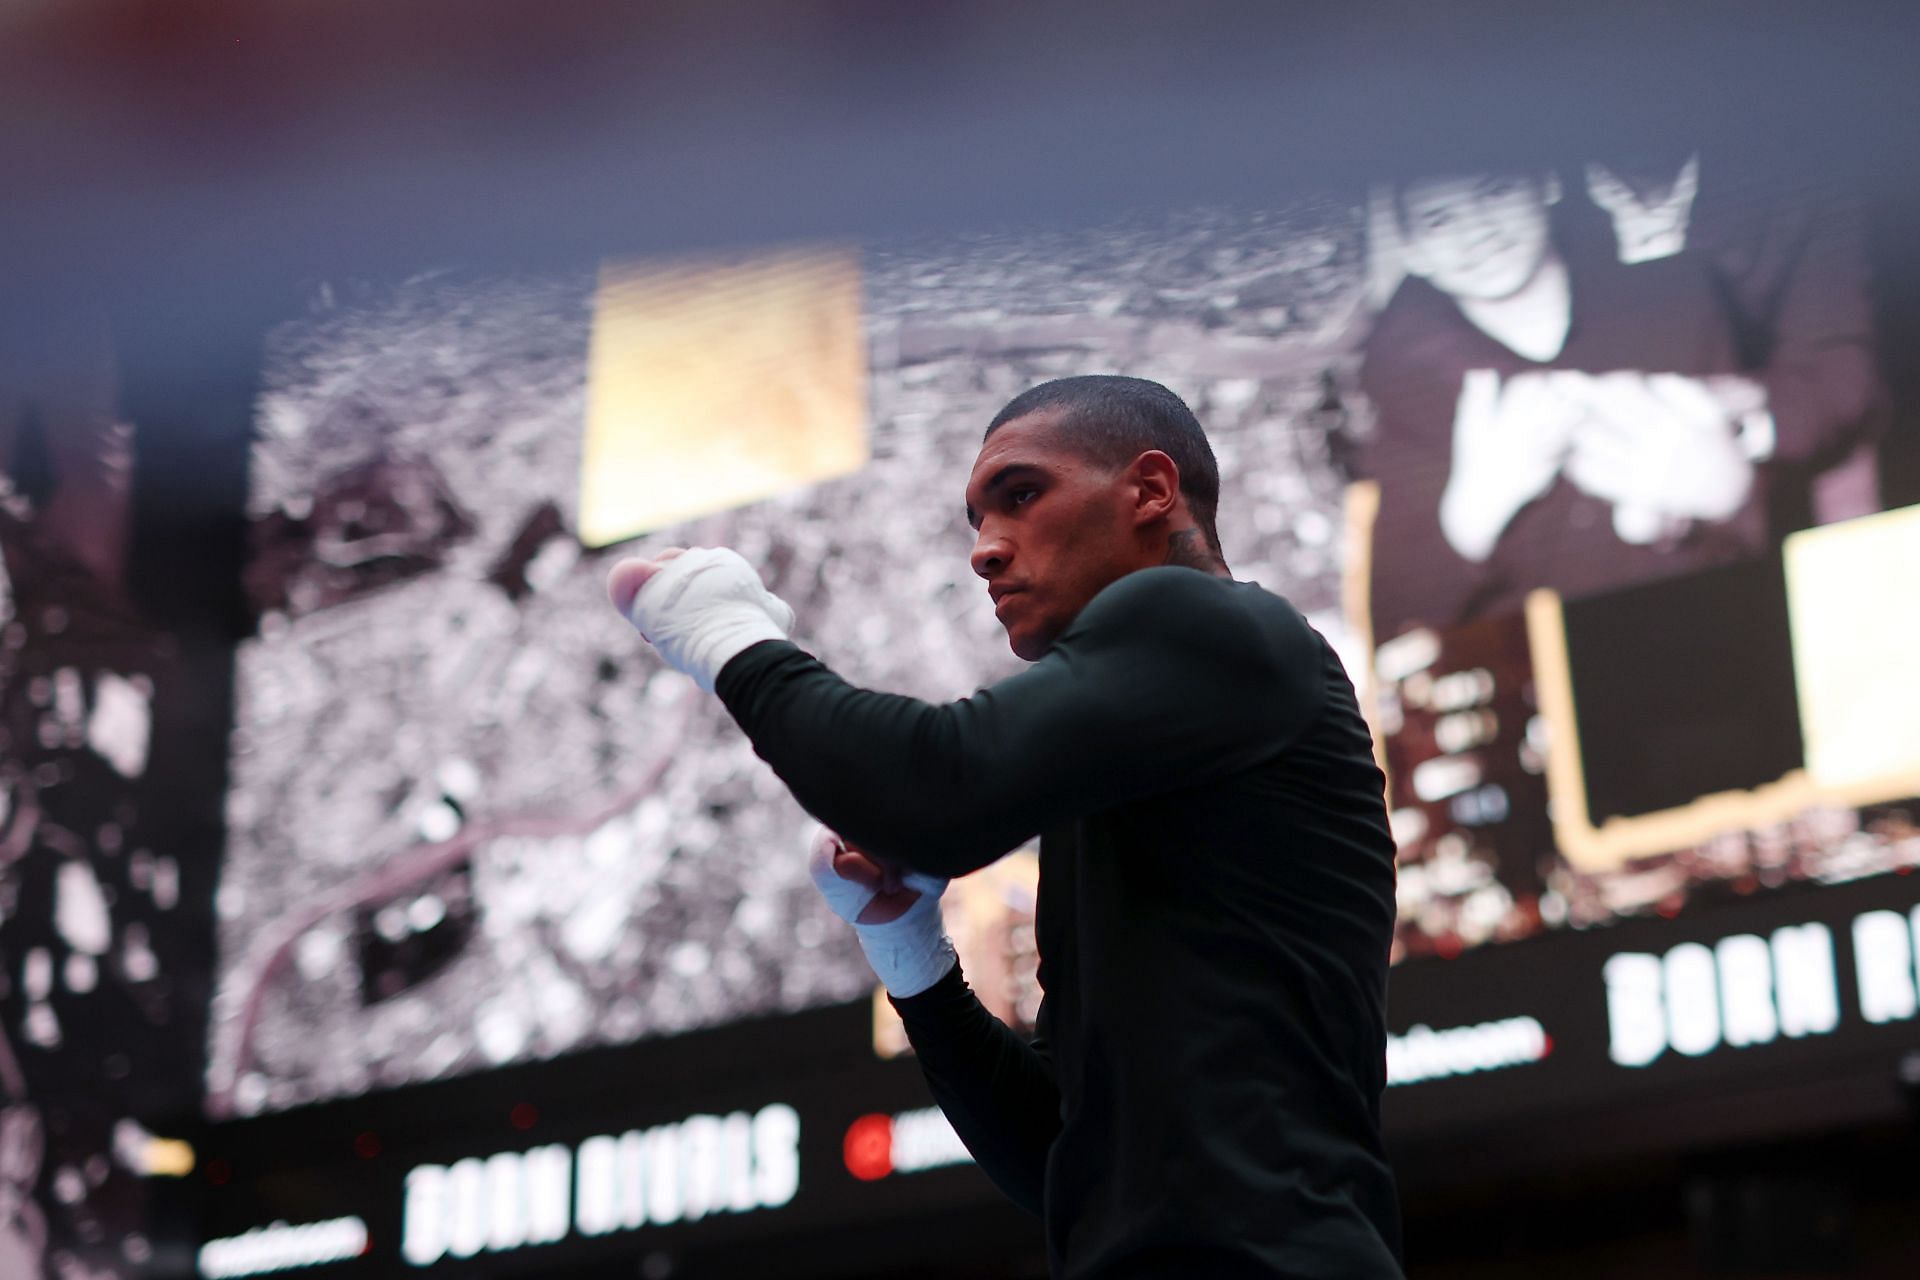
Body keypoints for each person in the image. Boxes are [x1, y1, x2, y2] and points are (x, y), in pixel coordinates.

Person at [607, 376, 1403, 1279]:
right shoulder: (1134, 778)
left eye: (1021, 495)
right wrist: (913, 955)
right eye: (976, 520)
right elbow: (1063, 1161)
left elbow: (937, 790)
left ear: (1150, 490)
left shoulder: (1213, 621)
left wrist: (726, 634)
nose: (985, 550)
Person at [1358, 172, 1775, 640]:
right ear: (1413, 253)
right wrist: (1472, 513)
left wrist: (1730, 493)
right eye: (1437, 220)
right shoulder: (1407, 389)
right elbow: (1393, 620)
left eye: (1496, 191)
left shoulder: (1679, 303)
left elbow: (1773, 534)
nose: (1476, 232)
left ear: (1546, 185)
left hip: (1708, 633)